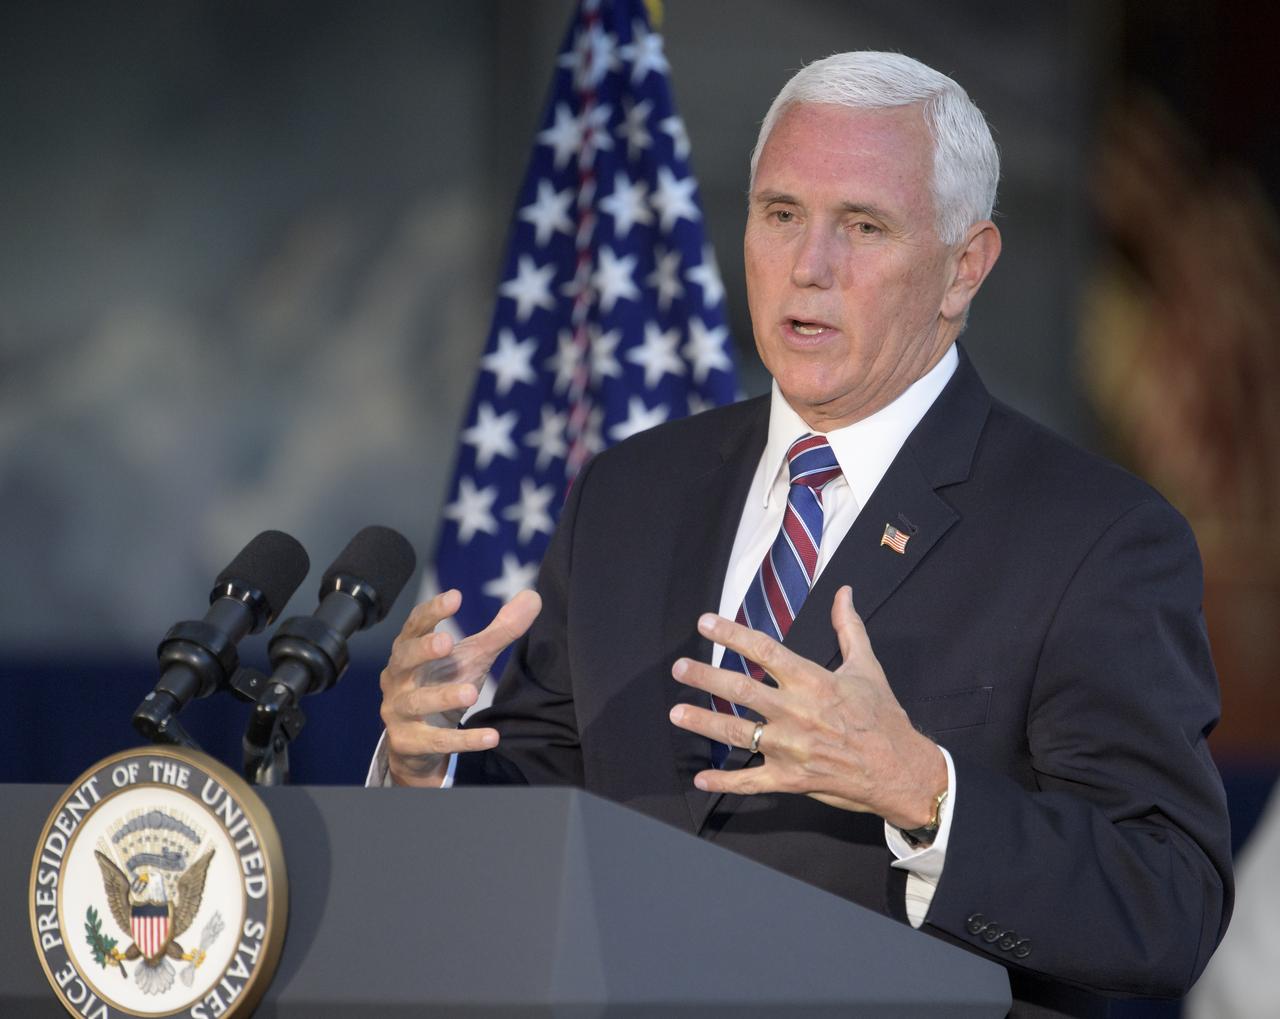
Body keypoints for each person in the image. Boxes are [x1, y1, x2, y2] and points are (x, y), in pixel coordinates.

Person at [373, 52, 1232, 1016]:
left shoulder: (1096, 536)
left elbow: (1170, 903)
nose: (808, 265)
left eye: (863, 226)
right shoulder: (628, 492)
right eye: (781, 215)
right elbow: (544, 814)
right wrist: (430, 764)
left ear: (965, 268)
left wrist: (923, 790)